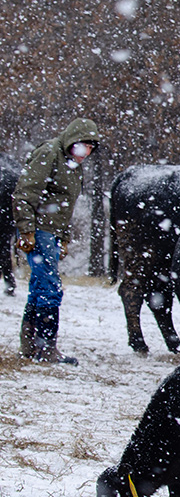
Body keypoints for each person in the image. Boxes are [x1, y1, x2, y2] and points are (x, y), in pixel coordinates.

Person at [12, 118, 101, 365]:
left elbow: (64, 206)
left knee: (40, 288)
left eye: (91, 148)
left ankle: (31, 348)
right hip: (39, 231)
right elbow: (25, 193)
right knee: (51, 289)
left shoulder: (72, 165)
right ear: (73, 141)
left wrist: (62, 238)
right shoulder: (50, 152)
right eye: (85, 146)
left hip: (50, 233)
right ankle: (46, 349)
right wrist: (27, 230)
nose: (88, 152)